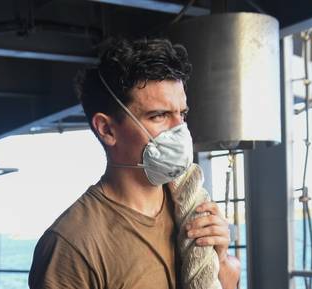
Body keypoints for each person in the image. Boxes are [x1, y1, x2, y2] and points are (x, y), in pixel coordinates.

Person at [28, 38, 240, 289]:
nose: (180, 130)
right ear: (107, 129)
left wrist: (223, 264)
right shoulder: (71, 245)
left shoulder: (190, 204)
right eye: (159, 115)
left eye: (181, 114)